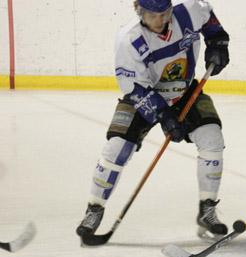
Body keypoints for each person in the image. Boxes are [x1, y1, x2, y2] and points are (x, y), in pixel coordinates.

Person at [76, 0, 230, 240]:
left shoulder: (188, 12)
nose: (159, 21)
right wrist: (163, 117)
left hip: (183, 90)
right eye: (151, 15)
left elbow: (209, 18)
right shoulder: (129, 40)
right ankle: (94, 208)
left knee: (212, 137)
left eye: (164, 13)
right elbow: (134, 88)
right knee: (117, 148)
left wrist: (218, 42)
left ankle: (207, 208)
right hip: (144, 96)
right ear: (138, 11)